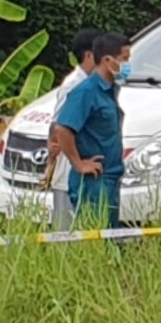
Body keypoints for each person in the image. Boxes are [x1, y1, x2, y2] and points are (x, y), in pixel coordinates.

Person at [51, 33, 131, 230]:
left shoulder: (110, 89)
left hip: (109, 177)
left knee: (110, 240)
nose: (128, 65)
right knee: (93, 238)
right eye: (125, 59)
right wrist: (78, 164)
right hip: (93, 181)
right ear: (107, 60)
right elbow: (62, 128)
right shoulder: (85, 91)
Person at [42, 28, 101, 227]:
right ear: (89, 55)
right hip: (70, 170)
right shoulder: (73, 86)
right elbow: (58, 126)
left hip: (89, 167)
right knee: (66, 230)